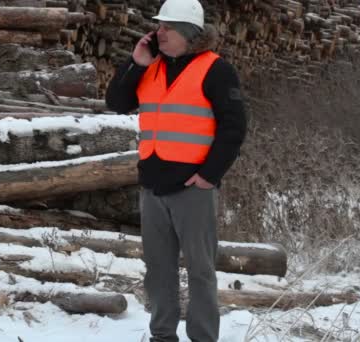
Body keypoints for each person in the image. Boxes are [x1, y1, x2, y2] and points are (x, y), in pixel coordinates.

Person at [105, 0, 247, 341]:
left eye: (167, 27)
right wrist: (135, 63)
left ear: (189, 33)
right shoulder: (150, 66)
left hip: (192, 187)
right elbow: (116, 102)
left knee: (200, 270)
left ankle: (202, 337)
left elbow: (234, 127)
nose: (159, 32)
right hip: (152, 186)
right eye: (160, 25)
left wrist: (209, 176)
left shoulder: (216, 69)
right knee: (159, 272)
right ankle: (162, 336)